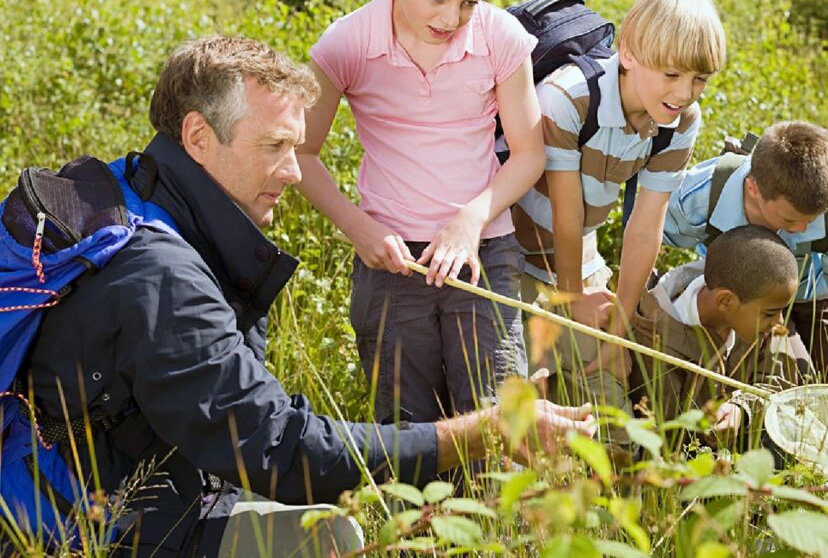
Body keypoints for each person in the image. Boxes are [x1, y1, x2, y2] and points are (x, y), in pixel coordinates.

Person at [13, 36, 593, 557]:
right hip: (88, 530)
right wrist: (485, 431)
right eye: (274, 146)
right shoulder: (161, 278)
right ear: (197, 137)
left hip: (118, 489)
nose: (294, 171)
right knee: (329, 538)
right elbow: (281, 453)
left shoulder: (132, 189)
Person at [296, 0, 545, 427]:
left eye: (469, 2)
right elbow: (301, 153)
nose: (451, 19)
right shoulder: (348, 42)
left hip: (484, 251)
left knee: (496, 420)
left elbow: (529, 154)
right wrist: (358, 228)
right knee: (408, 427)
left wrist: (471, 220)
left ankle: (489, 514)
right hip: (390, 261)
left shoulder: (500, 37)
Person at [513, 0, 727, 422]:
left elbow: (646, 226)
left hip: (578, 252)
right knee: (522, 391)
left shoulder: (680, 120)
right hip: (509, 254)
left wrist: (620, 330)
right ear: (628, 53)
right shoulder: (568, 97)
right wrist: (572, 303)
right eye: (672, 75)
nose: (686, 93)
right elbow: (565, 214)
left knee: (608, 394)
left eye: (700, 79)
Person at [662, 121, 828, 385]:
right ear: (754, 188)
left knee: (821, 391)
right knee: (780, 383)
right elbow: (648, 240)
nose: (801, 229)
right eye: (790, 220)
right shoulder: (699, 196)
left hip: (813, 298)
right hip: (746, 298)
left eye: (812, 221)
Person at [628, 225, 811, 450]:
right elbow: (661, 437)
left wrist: (741, 410)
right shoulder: (656, 343)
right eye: (771, 313)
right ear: (725, 301)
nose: (780, 323)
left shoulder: (759, 313)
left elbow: (779, 384)